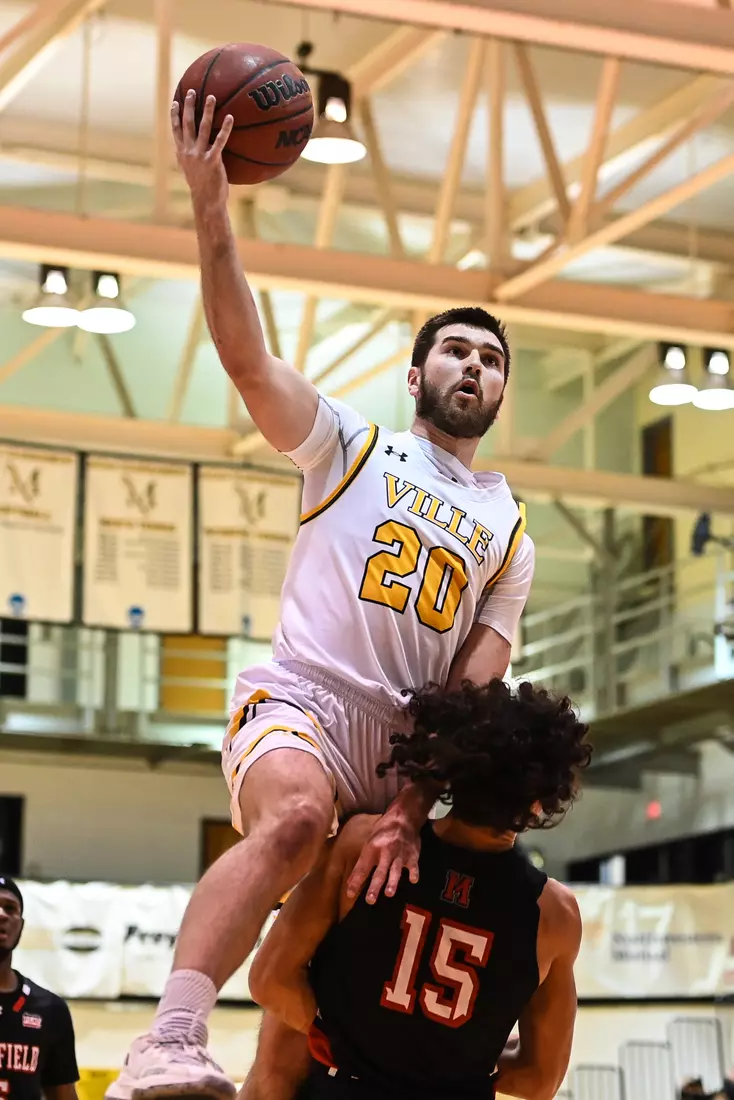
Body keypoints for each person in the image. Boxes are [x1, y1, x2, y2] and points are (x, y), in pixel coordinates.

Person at [108, 92, 534, 1100]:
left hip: (398, 753)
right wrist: (212, 206)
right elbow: (246, 355)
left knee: (324, 965)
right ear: (416, 370)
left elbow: (470, 695)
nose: (472, 364)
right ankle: (165, 1037)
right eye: (456, 349)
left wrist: (412, 803)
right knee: (294, 819)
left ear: (500, 388)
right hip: (302, 697)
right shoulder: (351, 444)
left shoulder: (510, 534)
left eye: (491, 357)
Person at [247, 679, 590, 1100]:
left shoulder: (364, 843)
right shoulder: (556, 914)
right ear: (540, 802)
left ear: (451, 770)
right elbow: (540, 1080)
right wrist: (459, 1063)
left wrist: (332, 1031)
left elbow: (270, 981)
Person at [0, 877, 79, 1100]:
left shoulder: (50, 1010)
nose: (2, 914)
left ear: (21, 925)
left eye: (10, 908)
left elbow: (63, 1094)